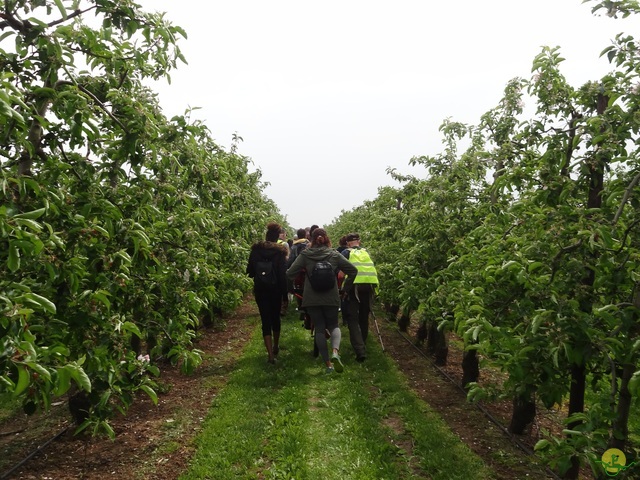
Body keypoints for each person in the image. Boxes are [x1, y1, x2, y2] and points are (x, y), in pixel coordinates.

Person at [286, 228, 358, 374]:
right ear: (327, 239)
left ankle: (328, 365)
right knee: (333, 325)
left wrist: (292, 289)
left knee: (319, 328)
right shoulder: (334, 254)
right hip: (331, 297)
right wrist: (345, 289)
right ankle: (335, 352)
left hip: (312, 298)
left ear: (311, 239)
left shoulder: (305, 255)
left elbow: (290, 273)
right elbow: (353, 271)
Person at [246, 222, 288, 364]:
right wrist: (285, 295)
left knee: (265, 319)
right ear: (277, 237)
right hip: (275, 289)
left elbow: (249, 271)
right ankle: (276, 345)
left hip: (261, 289)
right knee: (275, 318)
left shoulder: (256, 250)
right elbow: (282, 275)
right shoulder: (280, 252)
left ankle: (270, 354)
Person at [341, 232, 379, 362]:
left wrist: (342, 288)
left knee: (352, 317)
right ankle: (363, 343)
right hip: (369, 285)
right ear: (359, 241)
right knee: (364, 315)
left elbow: (341, 275)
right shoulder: (366, 252)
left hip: (354, 286)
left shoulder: (346, 253)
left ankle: (360, 350)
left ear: (347, 243)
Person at [287, 228, 311, 318]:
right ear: (305, 235)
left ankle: (301, 309)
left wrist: (290, 269)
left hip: (299, 272)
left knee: (299, 289)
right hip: (308, 271)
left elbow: (291, 260)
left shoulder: (294, 246)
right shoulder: (308, 245)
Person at [277, 227, 290, 316]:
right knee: (283, 288)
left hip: (273, 269)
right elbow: (287, 257)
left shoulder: (272, 243)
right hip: (282, 268)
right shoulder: (284, 244)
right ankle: (283, 307)